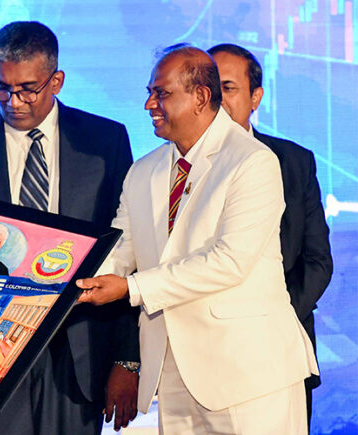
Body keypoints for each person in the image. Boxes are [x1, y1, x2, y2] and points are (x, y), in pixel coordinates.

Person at [77, 44, 319, 434]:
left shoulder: (252, 161)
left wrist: (131, 288)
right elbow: (121, 249)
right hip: (174, 374)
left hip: (249, 374)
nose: (149, 105)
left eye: (162, 93)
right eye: (150, 92)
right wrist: (66, 281)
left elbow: (229, 261)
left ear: (201, 97)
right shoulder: (144, 170)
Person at [0, 21, 139, 434]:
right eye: (1, 87)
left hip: (80, 349)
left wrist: (127, 360)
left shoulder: (105, 141)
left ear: (56, 81)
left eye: (27, 89)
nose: (13, 102)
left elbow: (128, 251)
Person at [208, 43, 333, 430]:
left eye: (228, 88)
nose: (216, 99)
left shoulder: (294, 162)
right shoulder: (171, 168)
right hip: (203, 351)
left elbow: (317, 261)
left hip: (280, 349)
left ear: (255, 97)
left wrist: (268, 319)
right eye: (208, 88)